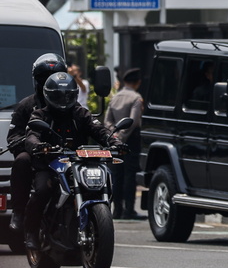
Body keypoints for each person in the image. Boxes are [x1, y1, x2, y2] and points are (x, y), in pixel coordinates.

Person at [23, 72, 126, 249]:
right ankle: (31, 232)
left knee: (104, 180)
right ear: (48, 95)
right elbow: (31, 136)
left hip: (80, 162)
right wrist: (39, 146)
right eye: (58, 95)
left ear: (74, 95)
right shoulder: (40, 115)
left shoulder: (81, 113)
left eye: (68, 95)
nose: (63, 99)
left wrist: (115, 142)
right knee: (42, 190)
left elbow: (98, 129)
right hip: (49, 163)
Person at [5, 54, 67, 233]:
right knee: (22, 160)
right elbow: (13, 137)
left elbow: (89, 126)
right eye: (44, 78)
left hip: (64, 155)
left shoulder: (70, 104)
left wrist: (110, 139)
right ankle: (18, 211)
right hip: (36, 158)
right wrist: (33, 145)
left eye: (54, 77)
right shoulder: (27, 105)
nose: (49, 82)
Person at [104, 68, 144, 219]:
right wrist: (123, 136)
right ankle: (129, 210)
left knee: (116, 175)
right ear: (137, 82)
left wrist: (114, 135)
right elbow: (133, 121)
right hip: (131, 140)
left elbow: (107, 120)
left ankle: (117, 209)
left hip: (114, 139)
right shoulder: (136, 98)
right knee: (129, 174)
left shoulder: (115, 97)